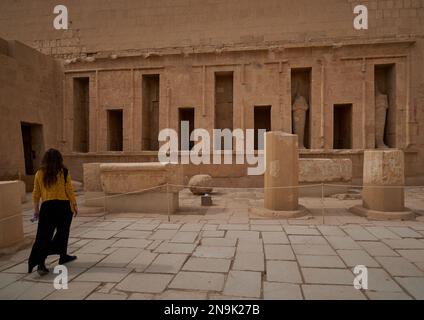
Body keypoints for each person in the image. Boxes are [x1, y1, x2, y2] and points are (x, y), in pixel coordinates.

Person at [28, 148, 78, 275]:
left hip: (47, 208)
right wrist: (74, 205)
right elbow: (69, 191)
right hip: (63, 207)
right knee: (63, 233)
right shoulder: (64, 172)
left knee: (43, 236)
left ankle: (41, 263)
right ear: (59, 159)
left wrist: (36, 210)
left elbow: (36, 193)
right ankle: (62, 255)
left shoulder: (39, 173)